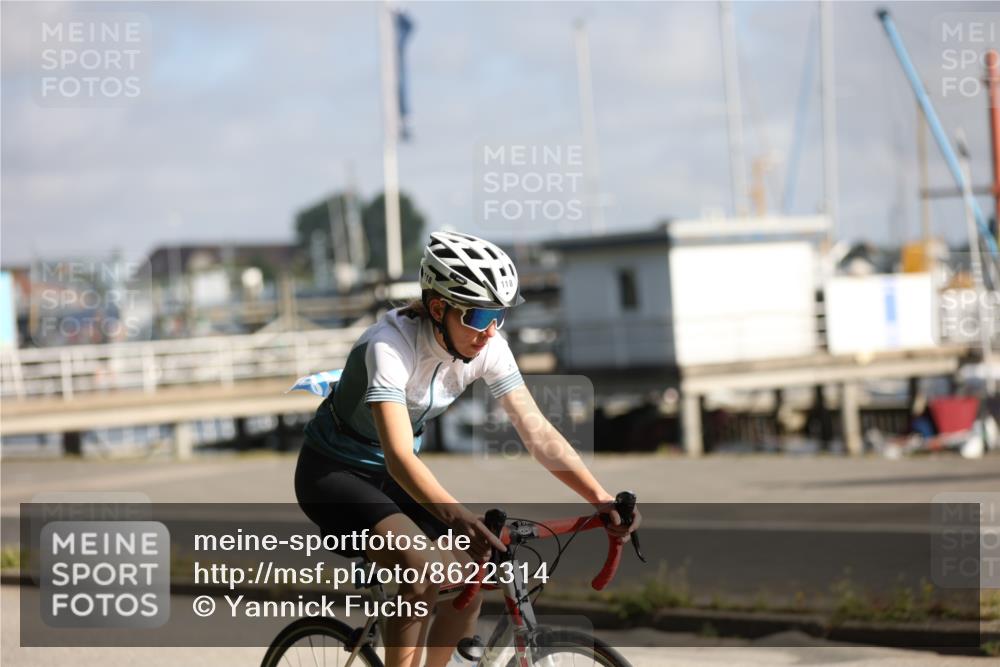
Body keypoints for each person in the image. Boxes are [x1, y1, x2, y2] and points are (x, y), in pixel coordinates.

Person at [294, 230, 640, 667]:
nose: (490, 330)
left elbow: (538, 433)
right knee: (421, 572)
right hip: (333, 475)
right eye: (478, 316)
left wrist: (600, 497)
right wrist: (459, 516)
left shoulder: (488, 347)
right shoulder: (389, 347)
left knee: (474, 570)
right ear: (439, 308)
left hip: (391, 477)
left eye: (499, 315)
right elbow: (401, 457)